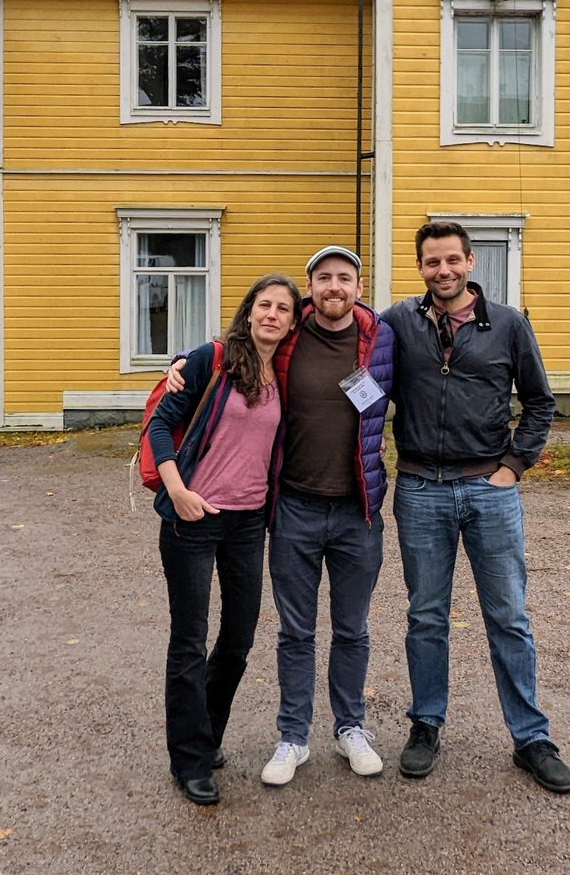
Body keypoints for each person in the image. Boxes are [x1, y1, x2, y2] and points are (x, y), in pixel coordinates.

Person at [167, 244, 395, 786]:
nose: (334, 286)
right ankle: (293, 736)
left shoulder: (384, 338)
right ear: (309, 290)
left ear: (359, 288)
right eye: (323, 278)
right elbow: (242, 339)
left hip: (357, 511)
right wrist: (182, 357)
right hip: (293, 507)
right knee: (294, 632)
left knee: (352, 628)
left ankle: (350, 728)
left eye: (345, 277)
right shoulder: (291, 335)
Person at [381, 220, 570, 794]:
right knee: (426, 615)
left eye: (452, 261)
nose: (442, 271)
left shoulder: (509, 325)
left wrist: (513, 467)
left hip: (487, 490)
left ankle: (531, 737)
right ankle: (425, 725)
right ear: (420, 268)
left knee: (509, 616)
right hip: (419, 488)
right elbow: (333, 332)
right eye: (431, 262)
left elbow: (541, 402)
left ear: (470, 262)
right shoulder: (398, 322)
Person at [149, 273, 302, 806]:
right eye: (265, 304)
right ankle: (189, 759)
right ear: (249, 310)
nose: (272, 315)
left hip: (247, 523)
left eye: (284, 308)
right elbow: (160, 426)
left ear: (292, 320)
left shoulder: (284, 369)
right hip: (193, 518)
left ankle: (207, 736)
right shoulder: (210, 359)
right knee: (189, 639)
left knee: (237, 639)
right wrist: (178, 489)